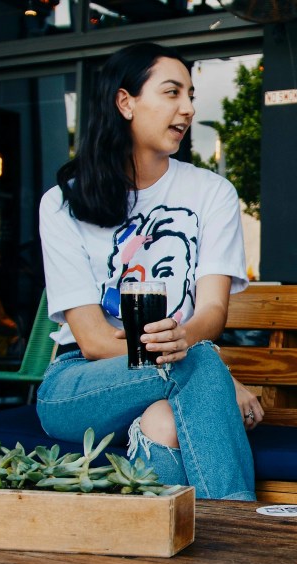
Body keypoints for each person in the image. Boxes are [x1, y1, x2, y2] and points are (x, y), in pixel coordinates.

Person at [36, 43, 260, 500]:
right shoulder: (61, 203)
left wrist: (189, 351)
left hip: (173, 374)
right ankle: (240, 522)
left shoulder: (212, 193)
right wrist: (206, 368)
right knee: (200, 360)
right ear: (126, 102)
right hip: (78, 384)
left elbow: (212, 313)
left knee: (163, 422)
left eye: (191, 95)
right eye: (172, 92)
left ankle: (170, 540)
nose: (188, 108)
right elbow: (94, 340)